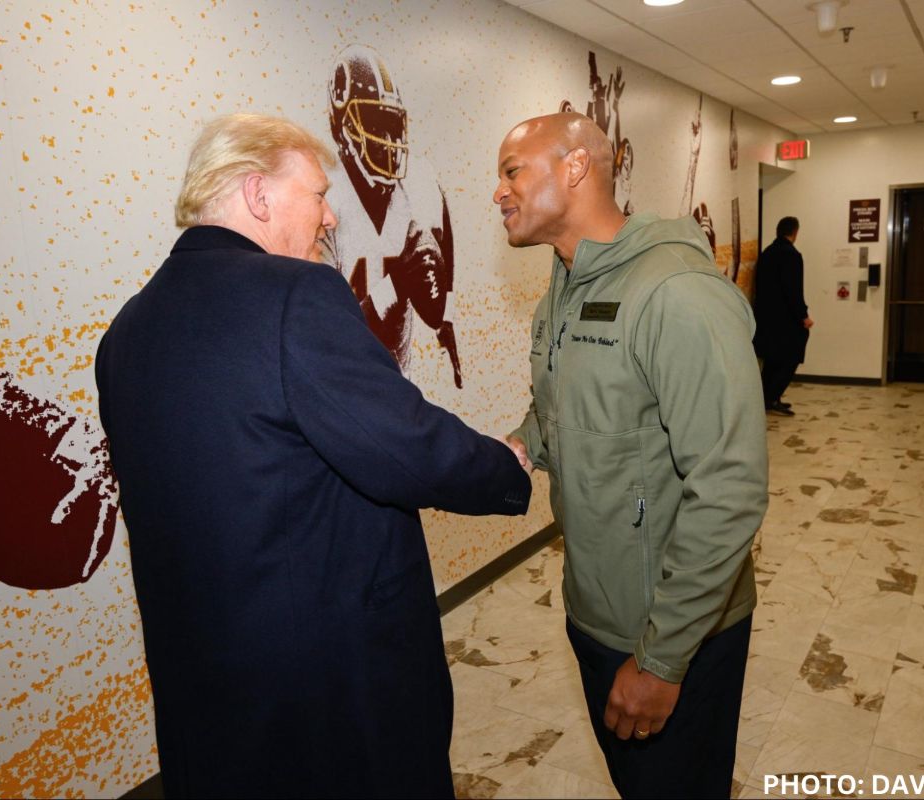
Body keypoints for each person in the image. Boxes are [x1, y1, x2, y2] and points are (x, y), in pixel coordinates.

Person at [95, 113, 531, 799]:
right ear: (258, 195)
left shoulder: (127, 329)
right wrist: (505, 467)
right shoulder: (295, 295)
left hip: (204, 678)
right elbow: (403, 444)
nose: (330, 219)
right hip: (330, 685)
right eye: (319, 195)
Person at [496, 113, 767, 799]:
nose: (498, 192)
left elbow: (730, 489)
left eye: (511, 171)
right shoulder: (563, 286)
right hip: (596, 604)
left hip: (671, 628)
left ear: (577, 168)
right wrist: (522, 443)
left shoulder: (677, 292)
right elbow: (566, 407)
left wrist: (662, 659)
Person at [323, 44, 463, 388]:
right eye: (373, 123)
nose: (386, 141)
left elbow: (444, 245)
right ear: (342, 126)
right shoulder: (326, 199)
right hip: (342, 388)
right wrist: (398, 284)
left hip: (399, 384)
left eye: (391, 124)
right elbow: (330, 333)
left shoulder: (420, 181)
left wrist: (445, 316)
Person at [752, 216, 814, 415]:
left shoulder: (767, 253)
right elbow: (793, 290)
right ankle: (772, 396)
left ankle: (766, 397)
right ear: (795, 232)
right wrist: (803, 316)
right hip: (786, 321)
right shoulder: (792, 255)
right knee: (791, 357)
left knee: (771, 360)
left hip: (765, 319)